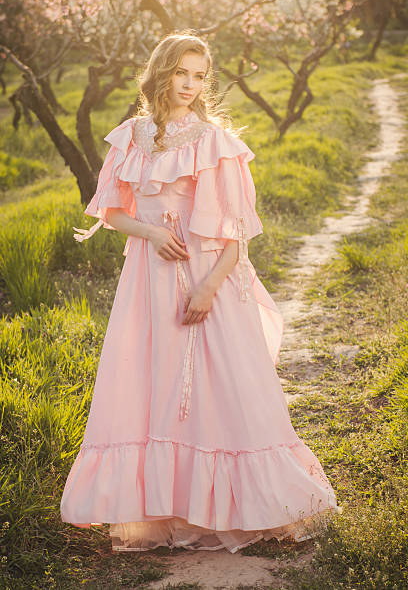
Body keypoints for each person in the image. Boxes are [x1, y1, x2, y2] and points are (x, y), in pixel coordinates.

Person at [60, 31, 339, 553]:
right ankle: (165, 506)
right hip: (147, 279)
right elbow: (114, 212)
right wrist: (152, 233)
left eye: (198, 76)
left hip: (207, 277)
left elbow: (235, 232)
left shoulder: (214, 142)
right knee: (154, 387)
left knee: (217, 390)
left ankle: (241, 506)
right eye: (180, 73)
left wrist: (210, 287)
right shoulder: (131, 136)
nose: (189, 85)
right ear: (161, 74)